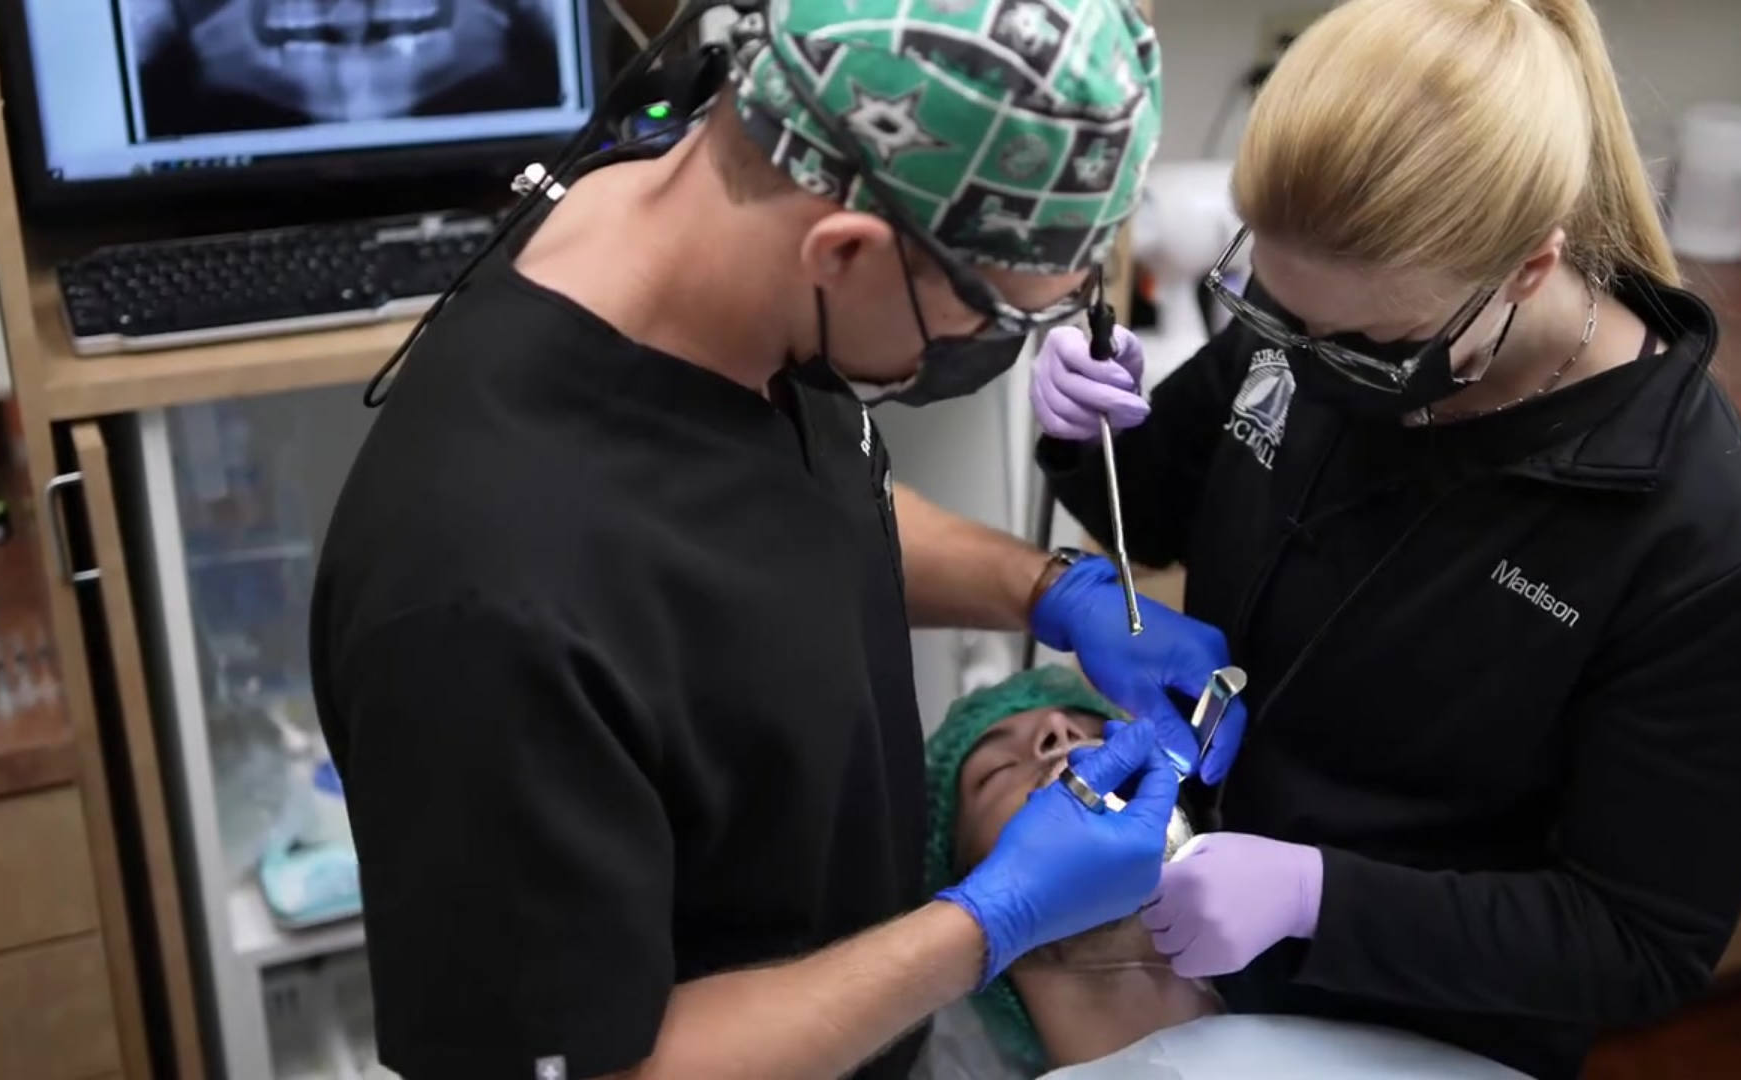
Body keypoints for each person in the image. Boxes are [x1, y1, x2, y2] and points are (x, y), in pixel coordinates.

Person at [309, 3, 1233, 1078]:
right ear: (843, 251)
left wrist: (1046, 589)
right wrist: (988, 923)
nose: (991, 349)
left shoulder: (716, 252)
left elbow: (787, 509)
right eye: (998, 319)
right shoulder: (482, 607)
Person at [1025, 0, 1741, 1077]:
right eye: (1276, 309)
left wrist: (1320, 898)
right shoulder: (1317, 331)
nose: (1304, 362)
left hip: (1426, 1032)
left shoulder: (1693, 538)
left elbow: (1639, 942)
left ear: (1528, 268)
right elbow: (1156, 513)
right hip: (1195, 938)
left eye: (1369, 343)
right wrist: (1088, 435)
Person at [917, 667, 1530, 1080]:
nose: (1060, 730)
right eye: (994, 773)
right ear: (970, 886)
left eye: (1088, 726)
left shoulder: (1377, 1039)